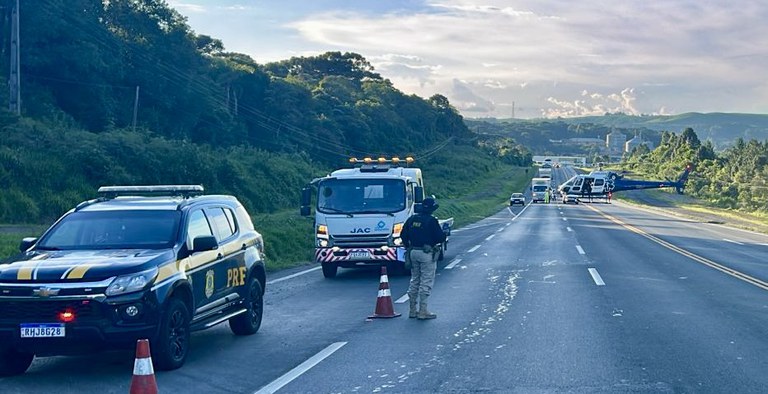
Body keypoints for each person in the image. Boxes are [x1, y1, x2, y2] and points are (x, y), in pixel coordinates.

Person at [401, 197, 446, 320]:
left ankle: (412, 310)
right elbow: (440, 237)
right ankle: (423, 311)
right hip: (426, 253)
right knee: (426, 281)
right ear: (432, 209)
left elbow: (403, 235)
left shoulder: (412, 219)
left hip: (413, 252)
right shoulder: (431, 221)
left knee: (415, 280)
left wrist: (408, 245)